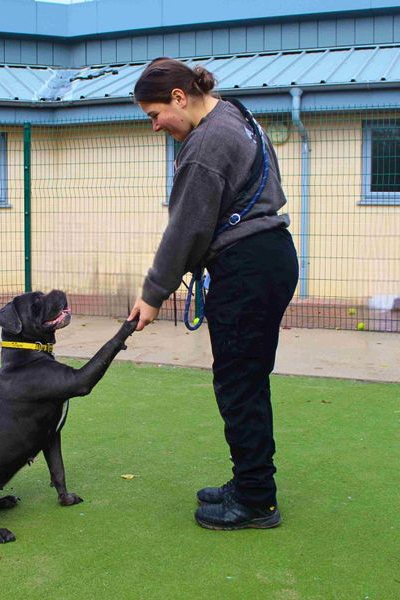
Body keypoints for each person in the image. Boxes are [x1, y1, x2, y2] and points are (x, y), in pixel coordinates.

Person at [128, 58, 299, 530]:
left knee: (238, 384)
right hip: (271, 256)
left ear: (179, 97)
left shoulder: (206, 144)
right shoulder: (237, 116)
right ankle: (249, 482)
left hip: (247, 267)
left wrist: (152, 294)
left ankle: (256, 500)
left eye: (154, 114)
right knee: (247, 378)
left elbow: (185, 229)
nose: (155, 125)